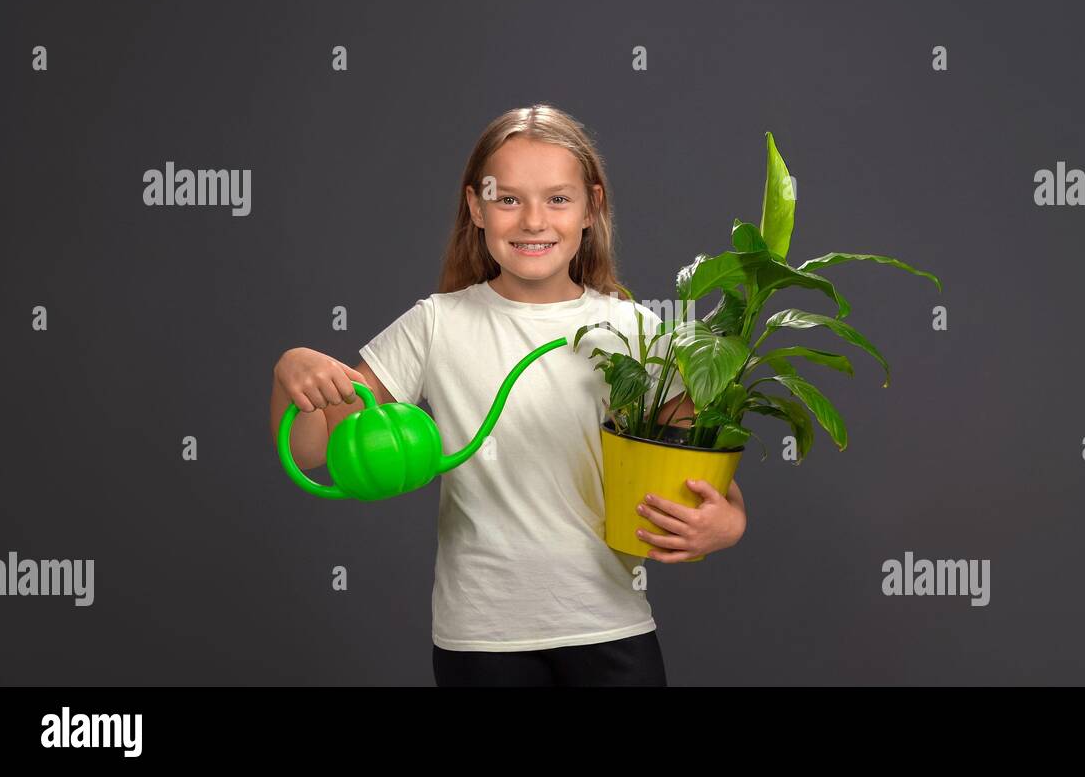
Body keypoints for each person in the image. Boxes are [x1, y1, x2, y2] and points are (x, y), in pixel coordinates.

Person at [270, 103, 748, 686]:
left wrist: (730, 522)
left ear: (592, 208)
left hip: (611, 626)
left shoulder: (636, 331)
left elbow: (694, 470)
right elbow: (312, 448)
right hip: (481, 639)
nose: (533, 221)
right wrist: (290, 372)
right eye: (508, 199)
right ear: (476, 206)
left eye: (558, 198)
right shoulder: (436, 325)